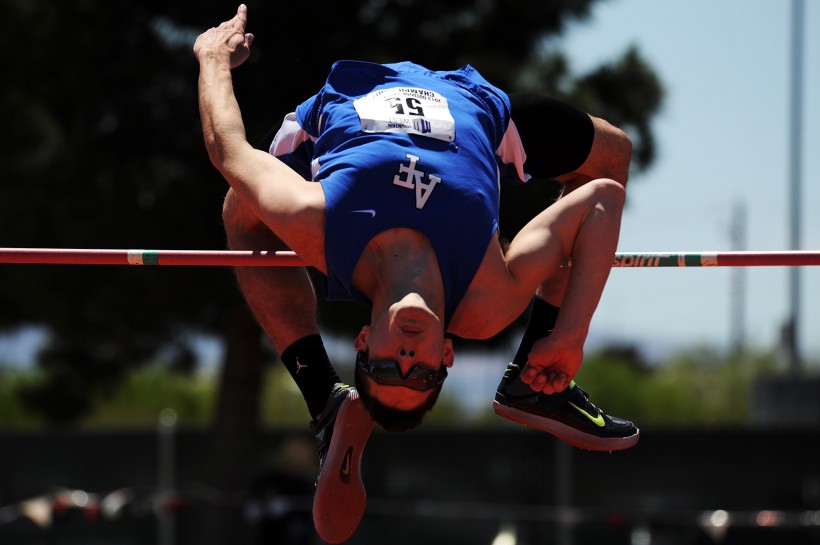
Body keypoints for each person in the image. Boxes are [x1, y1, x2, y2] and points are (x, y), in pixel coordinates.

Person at [195, 6, 637, 543]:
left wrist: (213, 59)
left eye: (386, 368)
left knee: (240, 207)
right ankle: (533, 381)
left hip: (351, 98)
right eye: (422, 375)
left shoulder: (321, 228)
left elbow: (228, 150)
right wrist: (568, 335)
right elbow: (601, 201)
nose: (406, 360)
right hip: (476, 107)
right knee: (615, 154)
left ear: (363, 341)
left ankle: (323, 397)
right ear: (445, 357)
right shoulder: (485, 301)